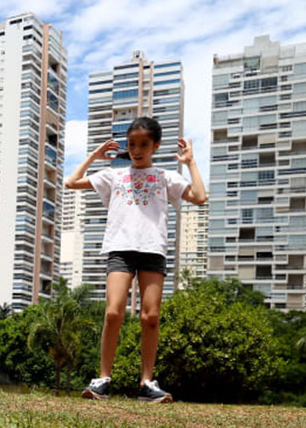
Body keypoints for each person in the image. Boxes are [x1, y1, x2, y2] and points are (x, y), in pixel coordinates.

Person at [64, 117, 206, 403]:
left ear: (155, 145)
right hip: (120, 247)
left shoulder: (167, 177)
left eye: (143, 144)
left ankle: (146, 383)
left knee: (150, 317)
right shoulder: (113, 176)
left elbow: (200, 197)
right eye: (131, 144)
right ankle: (103, 379)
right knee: (113, 312)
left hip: (153, 249)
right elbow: (71, 182)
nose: (136, 150)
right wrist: (94, 155)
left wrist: (190, 162)